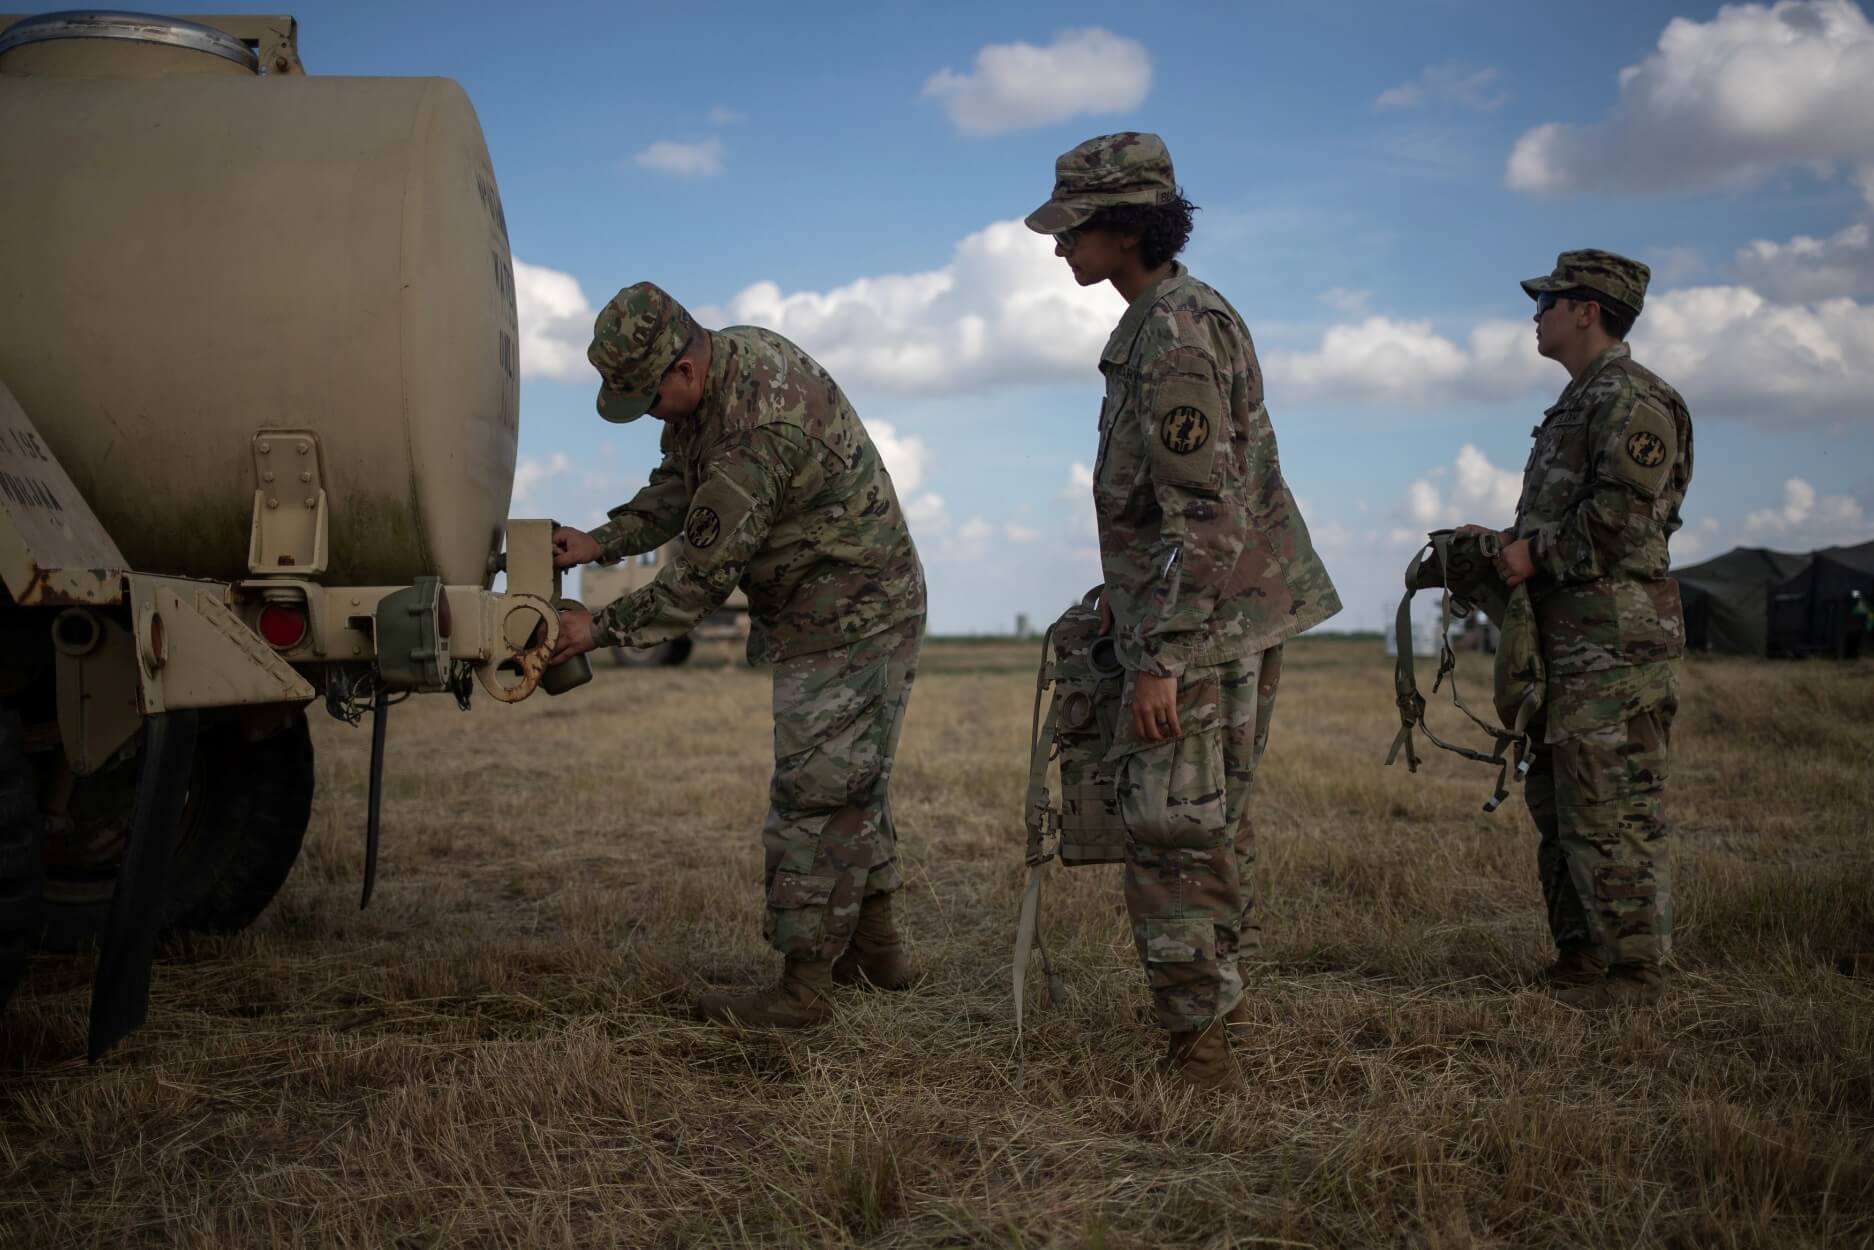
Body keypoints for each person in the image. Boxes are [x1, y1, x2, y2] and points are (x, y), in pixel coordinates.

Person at [1025, 133, 1341, 1087]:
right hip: (1217, 614)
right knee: (1205, 826)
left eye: (1073, 228)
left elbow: (1203, 511)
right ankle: (1211, 1018)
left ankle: (1201, 1051)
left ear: (1124, 226)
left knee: (1171, 832)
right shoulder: (1172, 318)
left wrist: (1159, 653)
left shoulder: (1173, 334)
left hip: (1197, 630)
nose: (1058, 247)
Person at [547, 283, 927, 1028]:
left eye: (650, 400)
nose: (652, 417)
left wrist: (596, 627)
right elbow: (679, 487)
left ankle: (802, 991)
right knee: (850, 784)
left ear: (683, 370)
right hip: (831, 608)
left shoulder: (758, 428)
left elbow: (697, 581)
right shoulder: (721, 372)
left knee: (814, 794)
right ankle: (875, 953)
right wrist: (603, 540)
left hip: (853, 613)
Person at [1470, 250, 1694, 1009]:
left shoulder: (1634, 400)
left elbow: (1624, 524)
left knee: (1614, 809)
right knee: (1562, 807)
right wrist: (1498, 548)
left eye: (1549, 302)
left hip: (1616, 649)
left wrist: (1534, 553)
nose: (1538, 314)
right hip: (1569, 647)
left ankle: (1633, 975)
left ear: (1587, 310)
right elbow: (1567, 517)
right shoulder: (1578, 402)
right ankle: (1582, 959)